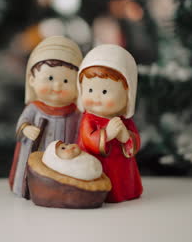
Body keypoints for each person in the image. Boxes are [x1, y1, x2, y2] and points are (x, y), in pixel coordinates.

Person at [9, 36, 82, 198]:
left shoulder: (76, 113)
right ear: (32, 80)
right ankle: (26, 189)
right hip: (34, 153)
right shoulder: (34, 109)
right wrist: (26, 129)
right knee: (32, 175)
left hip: (64, 160)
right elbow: (21, 125)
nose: (57, 86)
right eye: (50, 78)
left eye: (65, 80)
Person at [76, 44, 143, 203]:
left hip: (121, 167)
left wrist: (126, 137)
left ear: (127, 95)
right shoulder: (89, 120)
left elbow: (135, 142)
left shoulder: (124, 122)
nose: (97, 98)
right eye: (90, 90)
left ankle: (126, 191)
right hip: (96, 165)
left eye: (105, 92)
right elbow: (87, 140)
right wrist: (107, 135)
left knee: (122, 180)